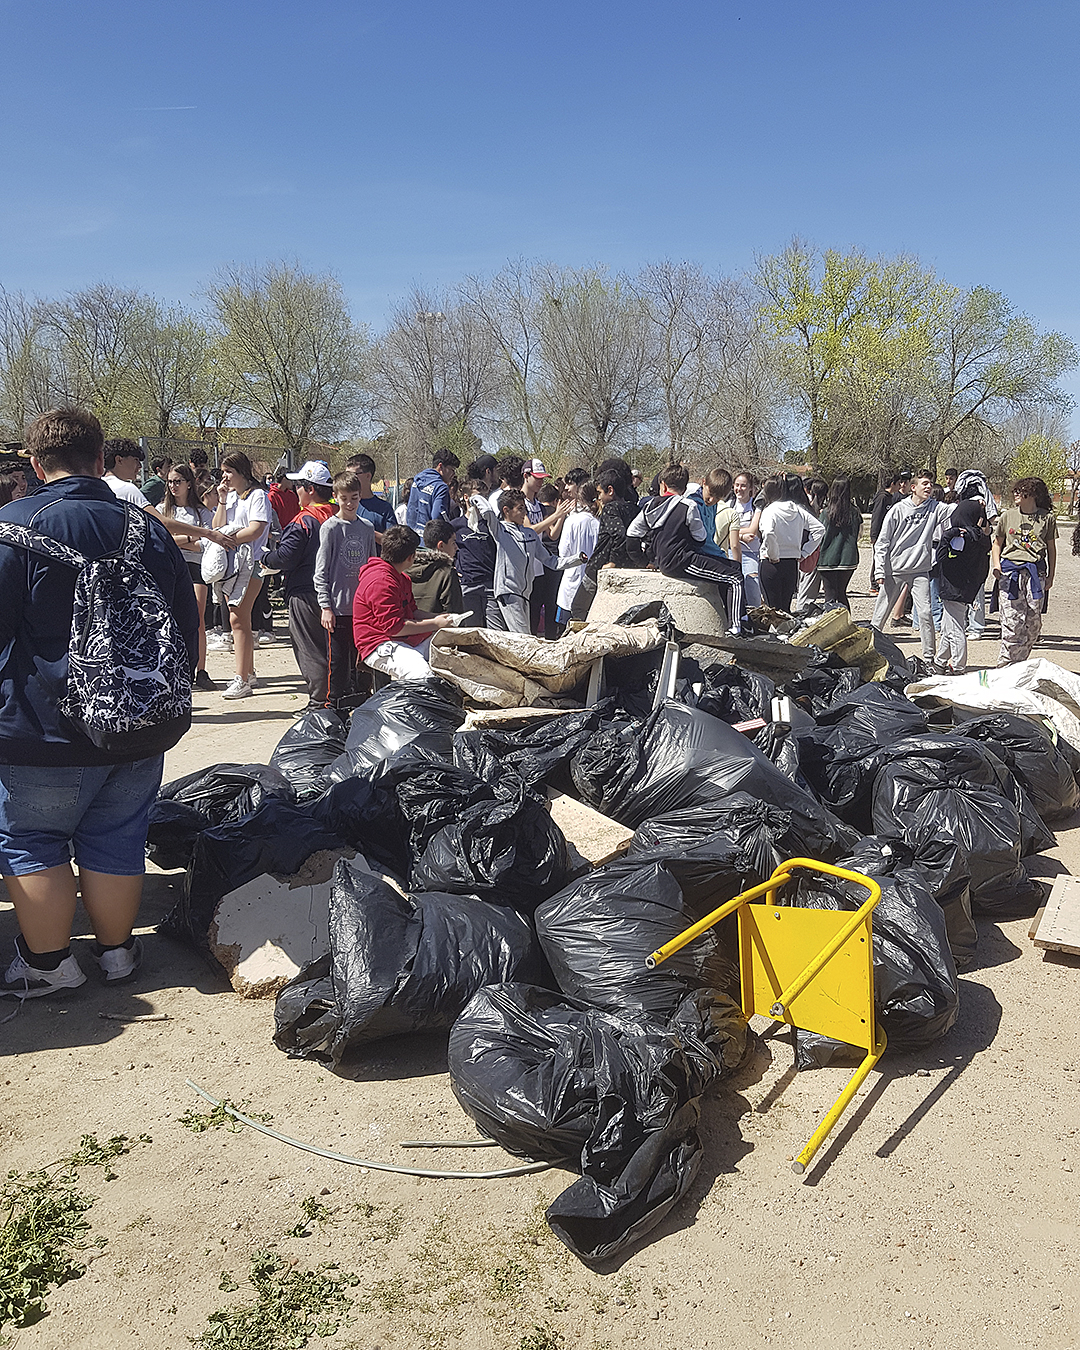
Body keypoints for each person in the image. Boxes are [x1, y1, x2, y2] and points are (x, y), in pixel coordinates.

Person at [0, 408, 198, 998]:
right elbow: (185, 622)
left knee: (33, 841)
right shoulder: (146, 526)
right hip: (137, 721)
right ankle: (117, 955)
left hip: (41, 729)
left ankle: (48, 965)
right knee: (118, 834)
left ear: (37, 464)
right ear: (100, 460)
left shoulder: (12, 528)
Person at [627, 464, 745, 634]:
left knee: (732, 569)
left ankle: (736, 620)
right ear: (684, 487)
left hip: (663, 561)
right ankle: (735, 628)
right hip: (683, 561)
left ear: (663, 485)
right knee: (734, 577)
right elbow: (700, 537)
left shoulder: (649, 506)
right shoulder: (689, 506)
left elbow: (632, 536)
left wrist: (644, 561)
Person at [263, 461, 337, 710]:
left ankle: (319, 703)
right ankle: (340, 697)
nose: (295, 491)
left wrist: (263, 557)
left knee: (310, 649)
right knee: (336, 648)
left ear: (310, 489)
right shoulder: (341, 514)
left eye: (299, 486)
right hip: (340, 594)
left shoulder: (304, 520)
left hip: (307, 593)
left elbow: (285, 557)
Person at [352, 526, 458, 681]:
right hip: (377, 644)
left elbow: (412, 611)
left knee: (450, 644)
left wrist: (440, 617)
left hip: (400, 640)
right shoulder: (381, 581)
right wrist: (435, 623)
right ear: (411, 556)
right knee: (422, 675)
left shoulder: (399, 577)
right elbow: (394, 628)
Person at [872, 470, 952, 664]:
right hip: (895, 569)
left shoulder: (935, 508)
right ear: (913, 488)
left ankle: (928, 658)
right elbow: (882, 541)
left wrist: (978, 501)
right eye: (924, 483)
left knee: (925, 612)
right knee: (881, 613)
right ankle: (869, 649)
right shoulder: (898, 510)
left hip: (920, 571)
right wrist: (879, 570)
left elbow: (958, 510)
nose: (929, 486)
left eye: (930, 484)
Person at [212, 451, 272, 699]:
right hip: (232, 564)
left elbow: (256, 529)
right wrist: (222, 500)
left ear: (242, 472)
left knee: (237, 618)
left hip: (253, 563)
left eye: (229, 471)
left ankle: (242, 679)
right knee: (241, 618)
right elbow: (217, 525)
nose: (225, 476)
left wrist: (226, 539)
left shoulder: (258, 495)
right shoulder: (233, 497)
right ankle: (248, 671)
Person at [315, 471, 376, 709]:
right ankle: (334, 707)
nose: (350, 503)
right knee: (338, 664)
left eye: (354, 498)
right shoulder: (330, 528)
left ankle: (363, 707)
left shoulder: (367, 528)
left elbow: (372, 567)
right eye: (344, 498)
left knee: (363, 663)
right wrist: (325, 606)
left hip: (362, 610)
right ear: (335, 498)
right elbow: (321, 570)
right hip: (338, 609)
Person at [161, 462, 216, 690]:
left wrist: (181, 539)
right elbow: (163, 542)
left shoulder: (201, 512)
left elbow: (205, 543)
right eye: (171, 482)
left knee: (197, 619)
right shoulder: (163, 510)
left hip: (195, 568)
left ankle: (200, 670)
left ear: (189, 484)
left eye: (178, 482)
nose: (174, 486)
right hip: (171, 567)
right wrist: (189, 538)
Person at [468, 488, 552, 634]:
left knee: (517, 636)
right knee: (523, 637)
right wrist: (474, 497)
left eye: (525, 508)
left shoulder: (530, 534)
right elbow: (488, 512)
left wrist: (578, 559)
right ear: (506, 510)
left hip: (525, 594)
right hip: (508, 592)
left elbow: (551, 561)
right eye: (520, 508)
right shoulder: (500, 530)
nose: (524, 512)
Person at [992, 477, 1056, 667]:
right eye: (1015, 491)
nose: (1016, 494)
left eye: (1021, 491)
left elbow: (1052, 550)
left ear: (1033, 494)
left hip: (1035, 574)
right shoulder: (1007, 516)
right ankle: (1004, 667)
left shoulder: (1047, 518)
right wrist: (997, 565)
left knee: (1032, 624)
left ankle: (1019, 663)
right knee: (1012, 623)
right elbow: (997, 544)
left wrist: (1051, 576)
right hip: (1011, 573)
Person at [935, 497, 991, 675]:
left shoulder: (960, 537)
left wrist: (946, 538)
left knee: (956, 628)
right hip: (967, 586)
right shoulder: (981, 537)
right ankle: (939, 661)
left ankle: (959, 666)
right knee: (947, 626)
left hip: (954, 587)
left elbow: (942, 558)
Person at [757, 473, 826, 613]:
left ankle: (775, 635)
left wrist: (773, 553)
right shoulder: (797, 509)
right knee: (785, 608)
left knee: (773, 609)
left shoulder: (769, 511)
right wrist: (805, 552)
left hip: (771, 563)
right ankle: (787, 633)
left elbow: (769, 533)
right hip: (791, 563)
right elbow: (819, 529)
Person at [523, 460, 570, 639]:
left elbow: (552, 535)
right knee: (531, 614)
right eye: (537, 478)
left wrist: (561, 516)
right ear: (526, 476)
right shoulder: (520, 502)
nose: (541, 482)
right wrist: (555, 516)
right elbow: (530, 531)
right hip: (525, 566)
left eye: (543, 479)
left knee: (545, 607)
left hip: (540, 565)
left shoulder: (539, 505)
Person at [556, 480, 600, 625]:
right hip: (592, 585)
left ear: (579, 499)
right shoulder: (599, 521)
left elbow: (563, 552)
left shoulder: (572, 521)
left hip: (571, 582)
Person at [816, 477, 862, 610]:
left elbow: (819, 534)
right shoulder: (855, 512)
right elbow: (859, 535)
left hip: (827, 558)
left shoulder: (825, 513)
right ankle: (846, 623)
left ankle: (829, 625)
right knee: (842, 593)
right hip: (848, 558)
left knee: (829, 595)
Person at [407, 517, 465, 615]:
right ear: (441, 545)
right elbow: (454, 615)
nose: (456, 547)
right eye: (453, 542)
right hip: (437, 628)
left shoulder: (405, 568)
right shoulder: (447, 573)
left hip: (410, 627)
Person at [869, 469, 910, 596]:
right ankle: (874, 584)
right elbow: (877, 516)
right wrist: (874, 535)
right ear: (892, 483)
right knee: (878, 558)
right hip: (880, 534)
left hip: (889, 534)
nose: (900, 486)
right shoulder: (882, 497)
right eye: (898, 483)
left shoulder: (890, 497)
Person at [345, 453, 396, 540]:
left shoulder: (384, 508)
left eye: (352, 475)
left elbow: (393, 542)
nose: (348, 479)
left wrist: (366, 531)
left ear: (368, 476)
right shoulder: (343, 504)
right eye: (346, 475)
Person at [406, 450, 460, 530]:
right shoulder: (441, 487)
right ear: (440, 466)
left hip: (412, 536)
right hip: (430, 539)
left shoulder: (417, 482)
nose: (453, 474)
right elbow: (438, 519)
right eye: (452, 469)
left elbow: (411, 511)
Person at [733, 471, 762, 607]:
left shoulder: (757, 507)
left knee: (753, 587)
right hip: (731, 551)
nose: (739, 489)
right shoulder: (728, 505)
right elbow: (722, 531)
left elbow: (752, 531)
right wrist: (741, 537)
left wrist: (734, 533)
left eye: (743, 486)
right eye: (737, 485)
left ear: (750, 488)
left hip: (751, 553)